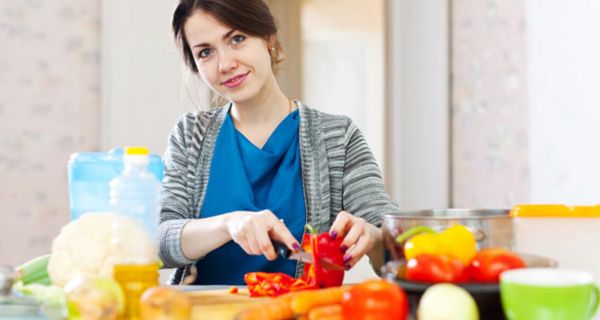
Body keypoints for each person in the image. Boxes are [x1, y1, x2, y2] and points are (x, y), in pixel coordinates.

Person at [159, 0, 399, 285]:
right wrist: (229, 224)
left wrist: (373, 238)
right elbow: (158, 243)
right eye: (206, 52)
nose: (225, 64)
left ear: (269, 38)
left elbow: (399, 248)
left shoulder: (338, 137)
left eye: (237, 39)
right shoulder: (189, 136)